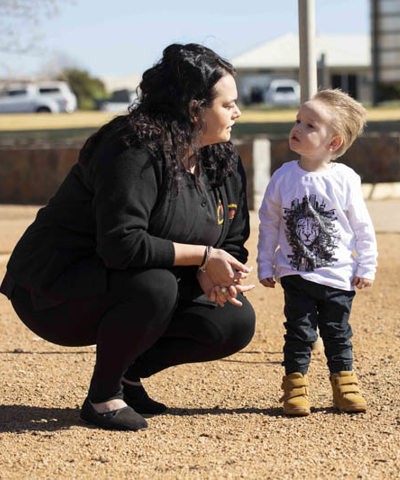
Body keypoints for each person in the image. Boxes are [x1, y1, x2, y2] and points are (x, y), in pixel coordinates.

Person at [0, 43, 256, 431]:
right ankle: (103, 398)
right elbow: (122, 244)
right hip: (56, 290)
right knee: (155, 285)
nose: (237, 113)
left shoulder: (221, 158)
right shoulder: (133, 147)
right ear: (194, 109)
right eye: (228, 105)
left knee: (233, 320)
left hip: (134, 283)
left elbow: (232, 239)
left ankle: (128, 375)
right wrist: (204, 258)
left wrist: (215, 273)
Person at [257, 89, 377, 416]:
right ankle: (295, 389)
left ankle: (345, 386)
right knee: (299, 333)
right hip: (295, 273)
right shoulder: (283, 177)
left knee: (338, 334)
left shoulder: (346, 179)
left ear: (333, 143)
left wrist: (367, 265)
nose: (297, 128)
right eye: (298, 120)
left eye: (310, 125)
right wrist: (265, 264)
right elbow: (268, 222)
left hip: (338, 276)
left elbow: (362, 226)